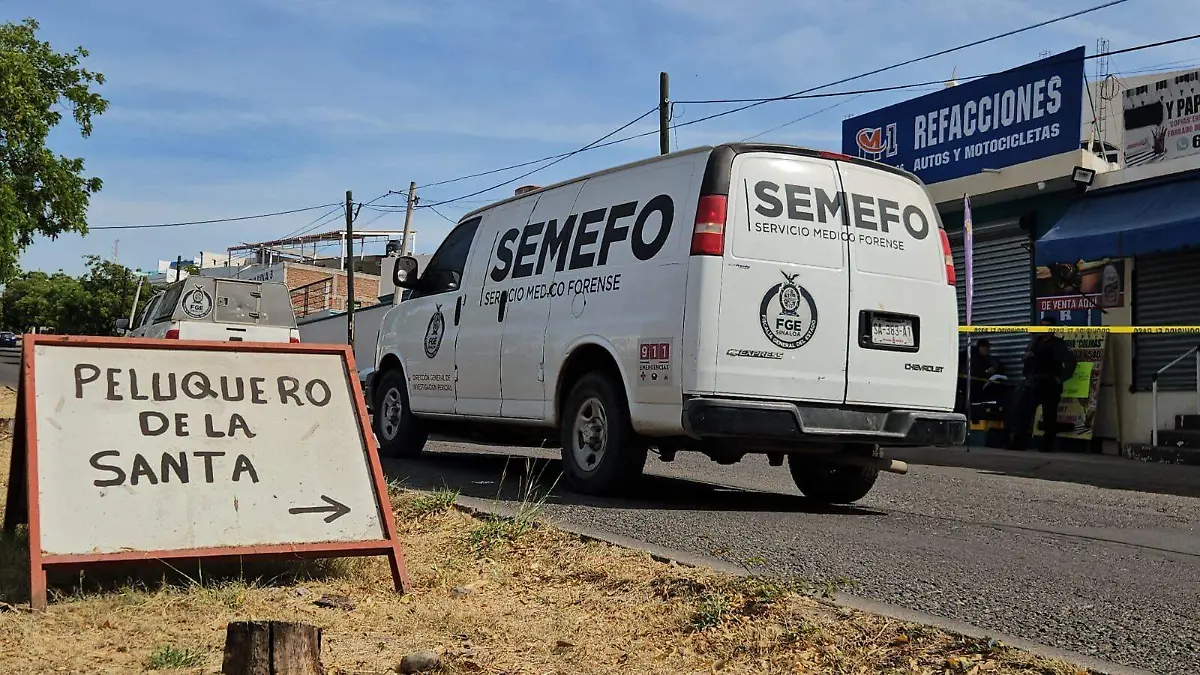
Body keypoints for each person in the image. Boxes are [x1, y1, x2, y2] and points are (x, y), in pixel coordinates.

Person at [1011, 315, 1077, 452]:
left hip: (1050, 384)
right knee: (1023, 413)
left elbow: (1071, 363)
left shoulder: (1058, 344)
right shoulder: (1035, 342)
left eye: (1047, 326)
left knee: (1049, 417)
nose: (1044, 329)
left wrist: (1061, 378)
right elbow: (1025, 358)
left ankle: (1047, 445)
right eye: (1042, 326)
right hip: (1033, 382)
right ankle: (1019, 443)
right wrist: (1026, 358)